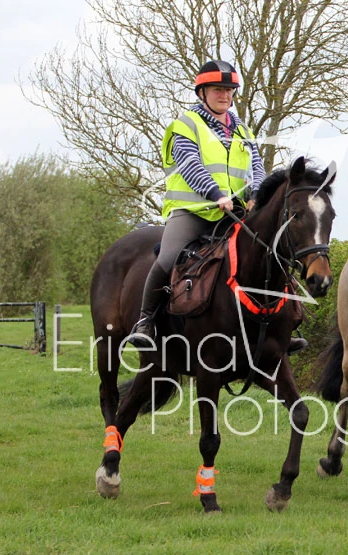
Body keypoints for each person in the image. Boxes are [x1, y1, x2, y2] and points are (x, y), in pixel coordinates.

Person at [126, 59, 267, 347]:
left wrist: (256, 196)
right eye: (217, 90)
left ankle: (279, 327)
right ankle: (146, 320)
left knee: (267, 251)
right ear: (202, 93)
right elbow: (190, 166)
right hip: (194, 210)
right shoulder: (186, 126)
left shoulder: (243, 131)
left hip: (235, 212)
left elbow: (257, 168)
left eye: (229, 90)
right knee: (168, 258)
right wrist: (216, 195)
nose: (224, 95)